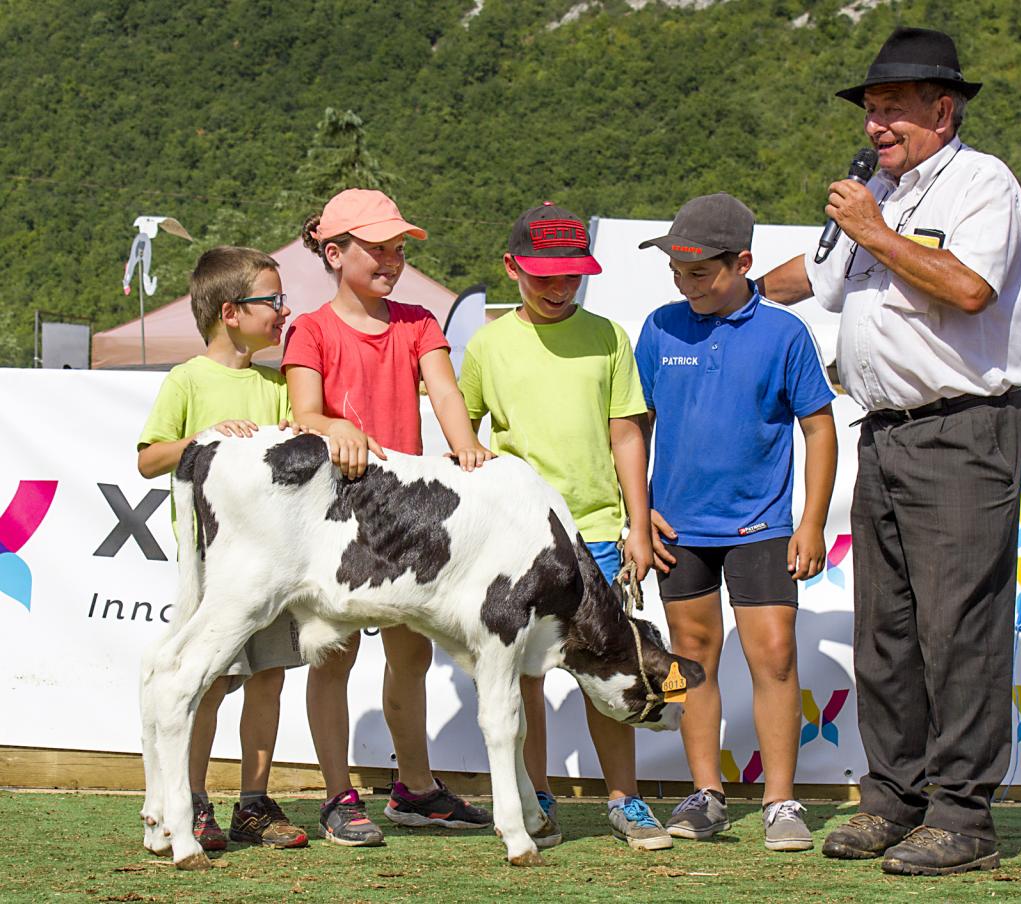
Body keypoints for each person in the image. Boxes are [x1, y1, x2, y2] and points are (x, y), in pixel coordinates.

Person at [759, 27, 1021, 876]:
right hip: (883, 431)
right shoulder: (875, 191)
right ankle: (893, 798)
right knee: (889, 631)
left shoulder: (983, 184)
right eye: (871, 110)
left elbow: (967, 287)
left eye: (893, 110)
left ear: (942, 110)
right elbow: (819, 273)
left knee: (959, 627)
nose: (876, 125)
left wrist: (874, 227)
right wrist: (733, 290)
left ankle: (963, 815)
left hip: (963, 428)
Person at [458, 202, 671, 851]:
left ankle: (625, 801)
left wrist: (637, 524)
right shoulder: (487, 343)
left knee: (608, 669)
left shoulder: (609, 336)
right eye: (543, 276)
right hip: (516, 541)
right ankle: (535, 796)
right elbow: (462, 434)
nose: (557, 289)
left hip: (600, 532)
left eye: (570, 277)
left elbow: (628, 432)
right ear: (511, 268)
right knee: (522, 677)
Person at [283, 188, 493, 846]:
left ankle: (415, 790)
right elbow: (303, 415)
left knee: (412, 656)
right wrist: (335, 426)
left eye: (398, 248)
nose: (392, 260)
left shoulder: (419, 323)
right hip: (332, 522)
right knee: (333, 659)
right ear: (333, 251)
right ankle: (338, 796)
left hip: (406, 516)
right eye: (379, 248)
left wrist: (467, 449)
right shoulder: (310, 329)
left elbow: (449, 396)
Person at [635, 193, 837, 852]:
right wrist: (641, 512)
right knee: (689, 661)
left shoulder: (785, 333)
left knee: (775, 658)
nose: (685, 286)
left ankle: (781, 802)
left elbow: (819, 428)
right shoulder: (659, 328)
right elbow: (633, 428)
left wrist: (812, 523)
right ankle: (706, 794)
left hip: (763, 528)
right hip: (678, 532)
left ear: (743, 262)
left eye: (700, 274)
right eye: (677, 273)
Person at [137, 245, 309, 851]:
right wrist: (202, 439)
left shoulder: (278, 384)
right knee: (207, 681)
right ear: (232, 311)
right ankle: (194, 801)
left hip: (278, 565)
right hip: (214, 566)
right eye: (275, 300)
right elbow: (147, 458)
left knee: (268, 681)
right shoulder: (187, 378)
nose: (285, 311)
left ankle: (253, 805)